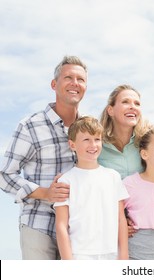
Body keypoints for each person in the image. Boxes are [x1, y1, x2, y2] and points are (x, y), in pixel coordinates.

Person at [0, 55, 88, 260]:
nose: (75, 83)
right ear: (54, 84)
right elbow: (4, 174)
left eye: (81, 79)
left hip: (78, 228)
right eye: (68, 78)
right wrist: (45, 193)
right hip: (39, 225)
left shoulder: (89, 129)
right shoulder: (30, 125)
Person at [54, 116, 128, 260]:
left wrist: (124, 255)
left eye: (97, 139)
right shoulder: (66, 180)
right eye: (86, 140)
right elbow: (61, 226)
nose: (93, 145)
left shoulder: (113, 176)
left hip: (111, 253)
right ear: (72, 145)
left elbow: (121, 219)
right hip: (79, 254)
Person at [98, 84, 154, 239]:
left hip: (143, 228)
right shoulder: (97, 147)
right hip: (106, 227)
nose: (132, 107)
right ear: (110, 110)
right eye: (125, 102)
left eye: (137, 104)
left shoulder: (148, 143)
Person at [122, 128, 154, 260]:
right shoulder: (130, 183)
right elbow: (110, 213)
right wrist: (121, 224)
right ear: (144, 154)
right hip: (133, 258)